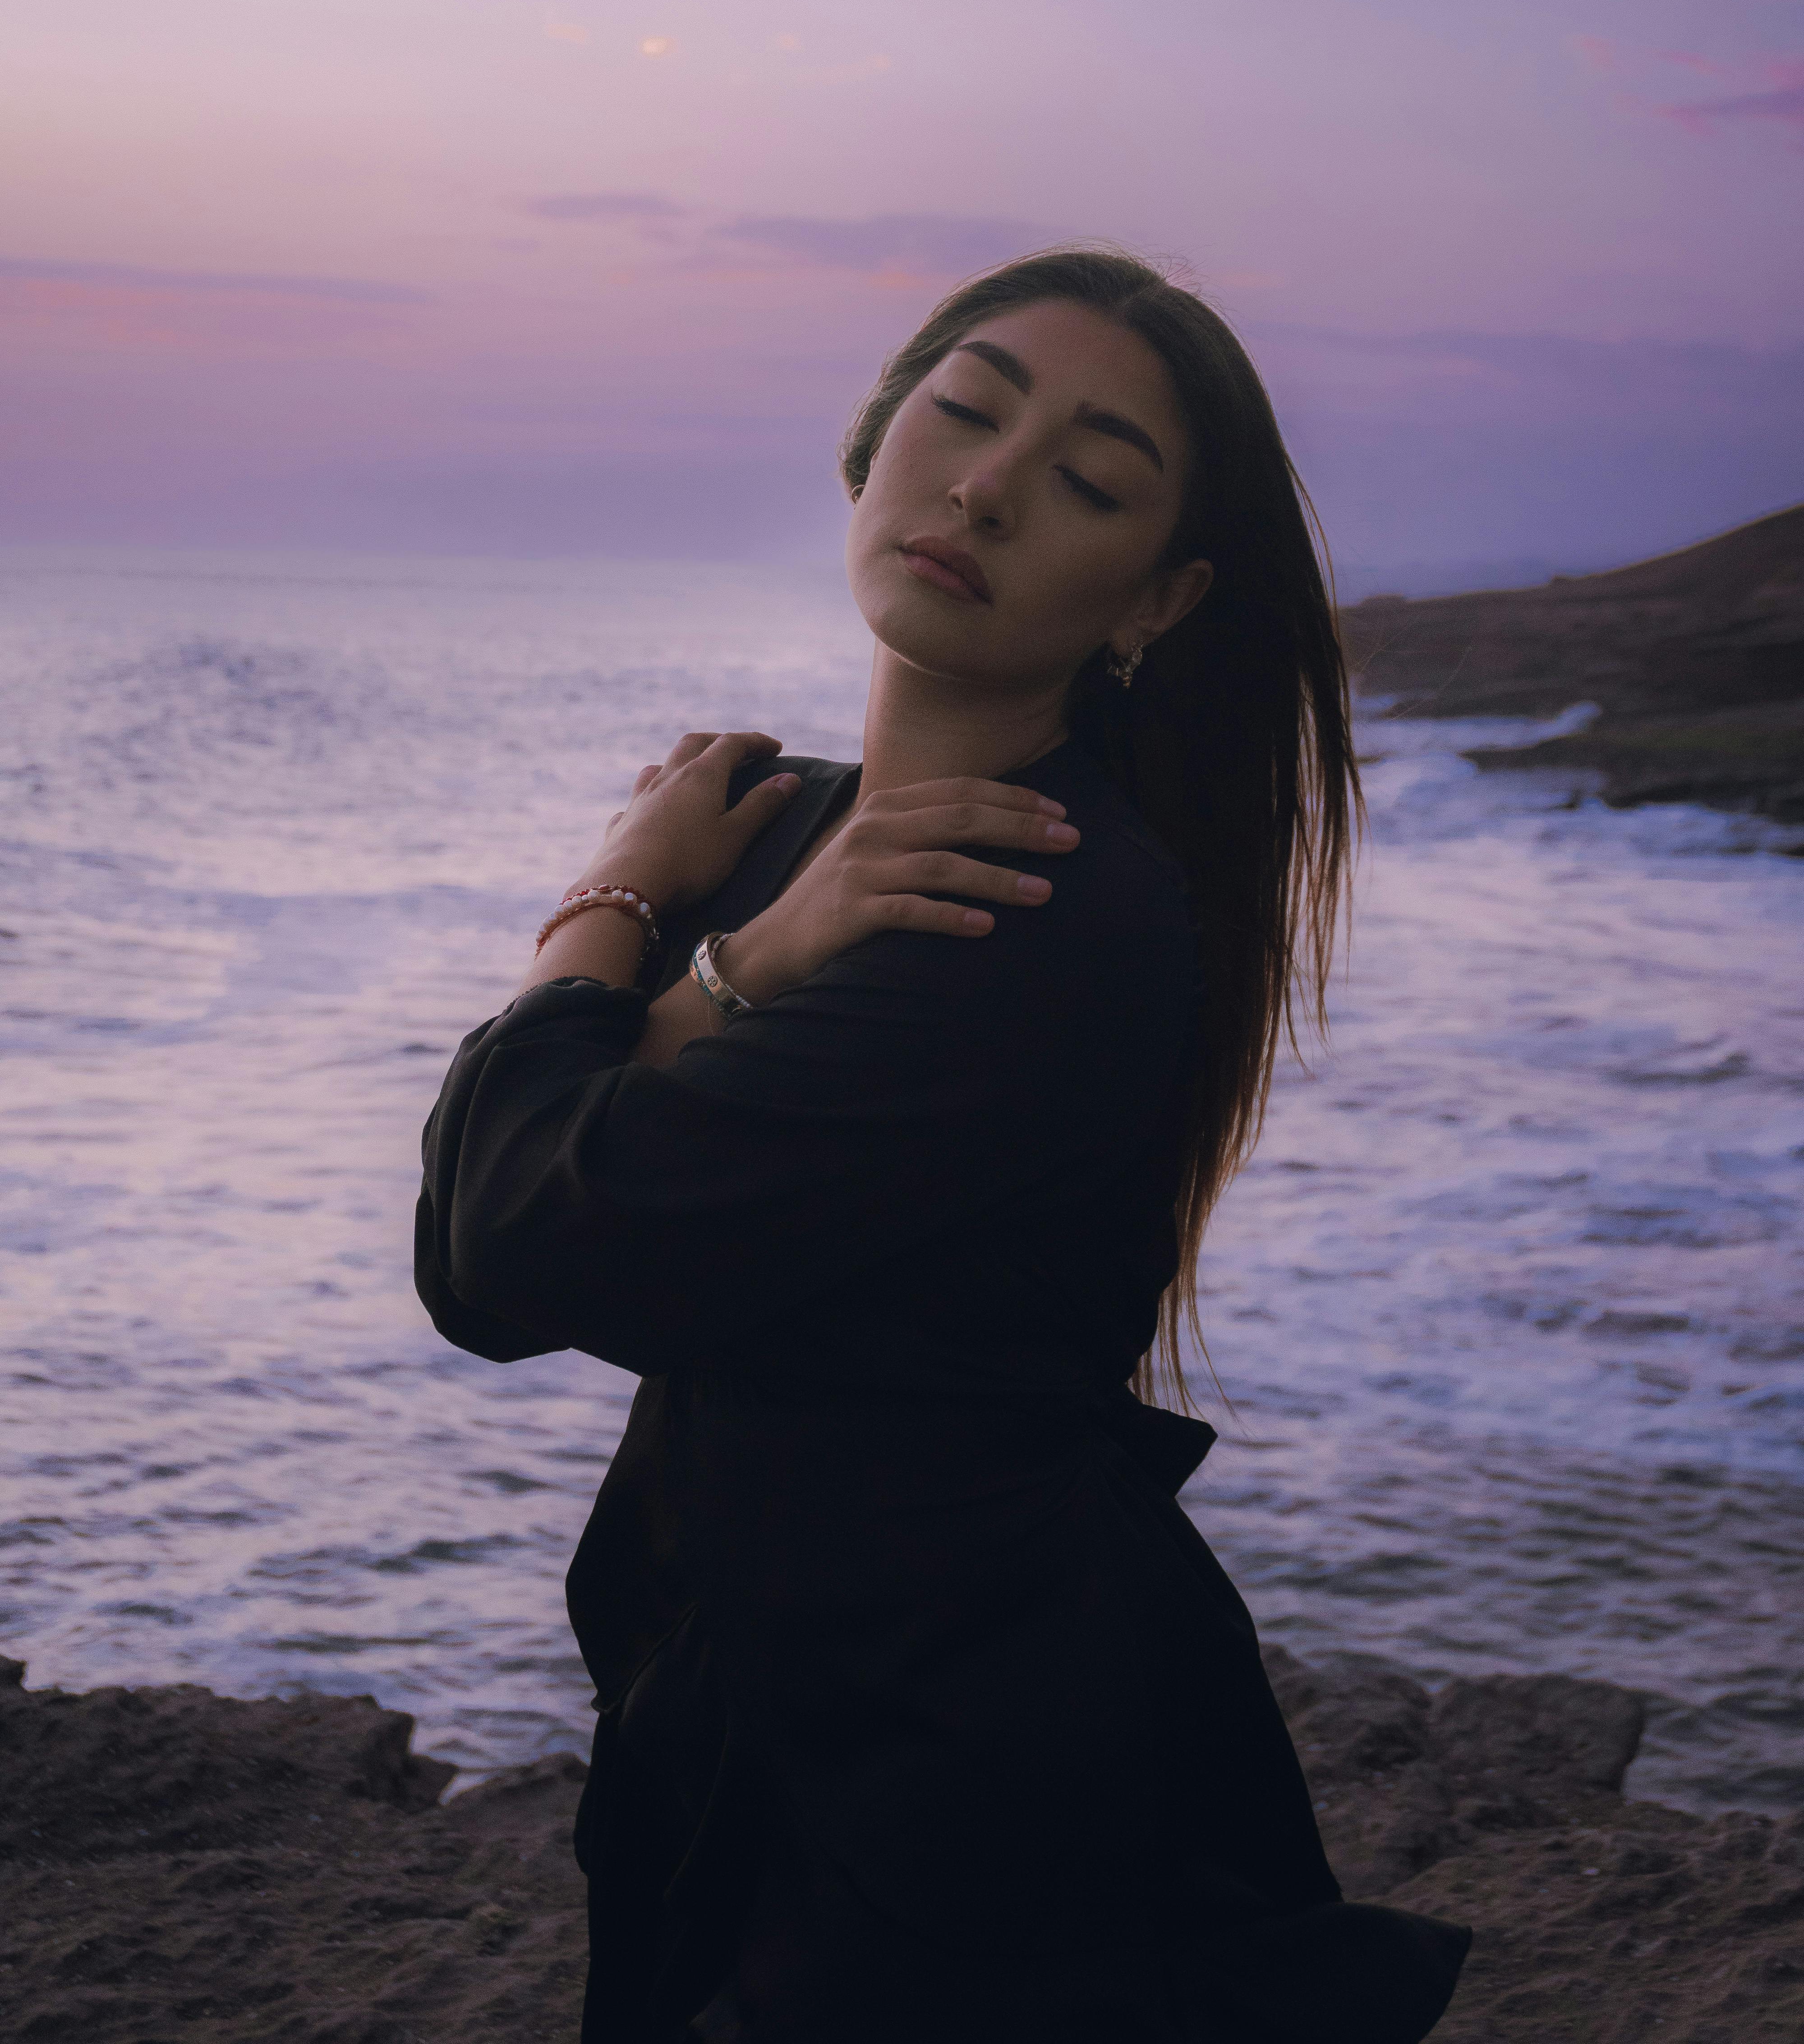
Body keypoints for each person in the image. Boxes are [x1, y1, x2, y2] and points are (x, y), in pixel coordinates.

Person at [414, 245, 1471, 2043]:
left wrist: (615, 914)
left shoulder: (1029, 902)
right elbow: (546, 1159)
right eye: (966, 411)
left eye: (1087, 480)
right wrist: (713, 966)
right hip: (754, 1699)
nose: (984, 482)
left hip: (962, 1772)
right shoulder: (779, 825)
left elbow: (506, 1254)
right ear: (869, 440)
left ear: (1155, 599)